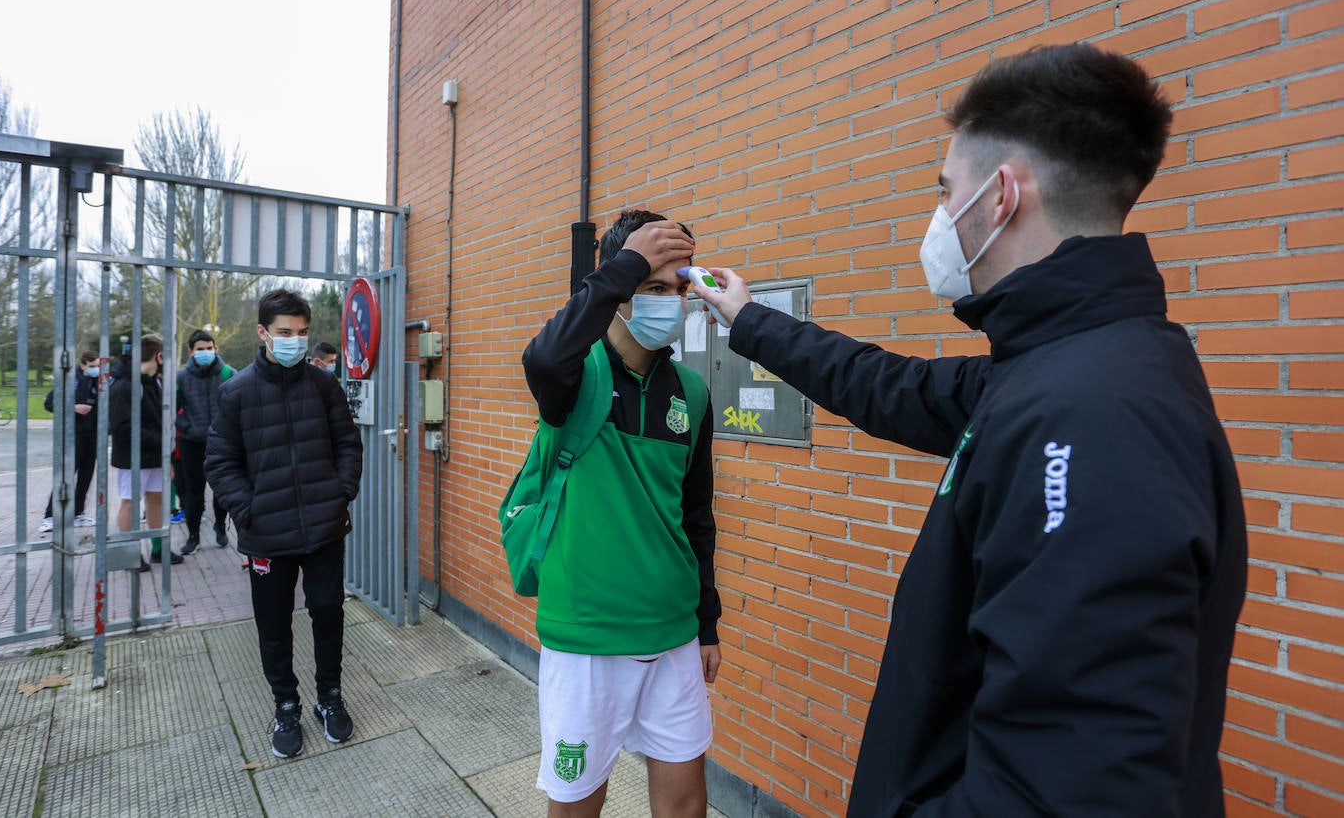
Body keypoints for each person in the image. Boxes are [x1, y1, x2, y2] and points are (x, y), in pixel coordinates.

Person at [691, 44, 1248, 817]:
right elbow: (895, 387)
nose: (939, 217)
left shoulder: (1091, 419)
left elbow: (1066, 787)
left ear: (1001, 196)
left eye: (944, 190)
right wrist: (749, 321)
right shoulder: (1056, 365)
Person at [521, 209, 721, 818]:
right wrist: (622, 264)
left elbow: (697, 515)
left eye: (679, 289)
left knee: (686, 803)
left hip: (672, 633)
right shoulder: (575, 374)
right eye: (652, 288)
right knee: (578, 802)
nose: (671, 303)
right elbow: (541, 358)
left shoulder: (692, 391)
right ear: (617, 287)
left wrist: (707, 621)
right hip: (588, 635)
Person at [205, 289, 363, 760]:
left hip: (324, 530)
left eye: (301, 333)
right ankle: (286, 703)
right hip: (266, 537)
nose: (293, 341)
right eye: (283, 333)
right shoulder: (236, 392)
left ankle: (329, 697)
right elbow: (220, 461)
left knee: (328, 613)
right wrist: (248, 509)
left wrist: (340, 494)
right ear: (263, 333)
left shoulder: (324, 386)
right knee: (274, 625)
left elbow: (348, 446)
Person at [110, 333, 184, 571]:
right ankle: (128, 555)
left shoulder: (155, 381)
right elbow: (121, 427)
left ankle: (158, 549)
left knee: (157, 500)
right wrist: (160, 442)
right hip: (133, 458)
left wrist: (168, 457)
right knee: (130, 503)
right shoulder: (124, 384)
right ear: (159, 356)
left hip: (156, 457)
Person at [174, 329, 235, 554]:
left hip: (222, 443)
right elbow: (171, 409)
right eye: (200, 349)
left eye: (209, 348)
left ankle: (220, 527)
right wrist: (186, 427)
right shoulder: (181, 377)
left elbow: (238, 405)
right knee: (193, 491)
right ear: (191, 352)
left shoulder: (229, 373)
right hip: (191, 443)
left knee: (221, 489)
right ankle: (193, 537)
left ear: (216, 349)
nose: (205, 352)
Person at [39, 348, 101, 533]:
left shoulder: (99, 380)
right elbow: (49, 403)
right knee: (66, 476)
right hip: (73, 435)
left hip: (92, 435)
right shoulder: (69, 380)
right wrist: (73, 407)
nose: (96, 369)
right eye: (92, 366)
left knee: (86, 475)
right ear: (82, 365)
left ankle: (78, 513)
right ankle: (50, 516)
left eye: (98, 366)